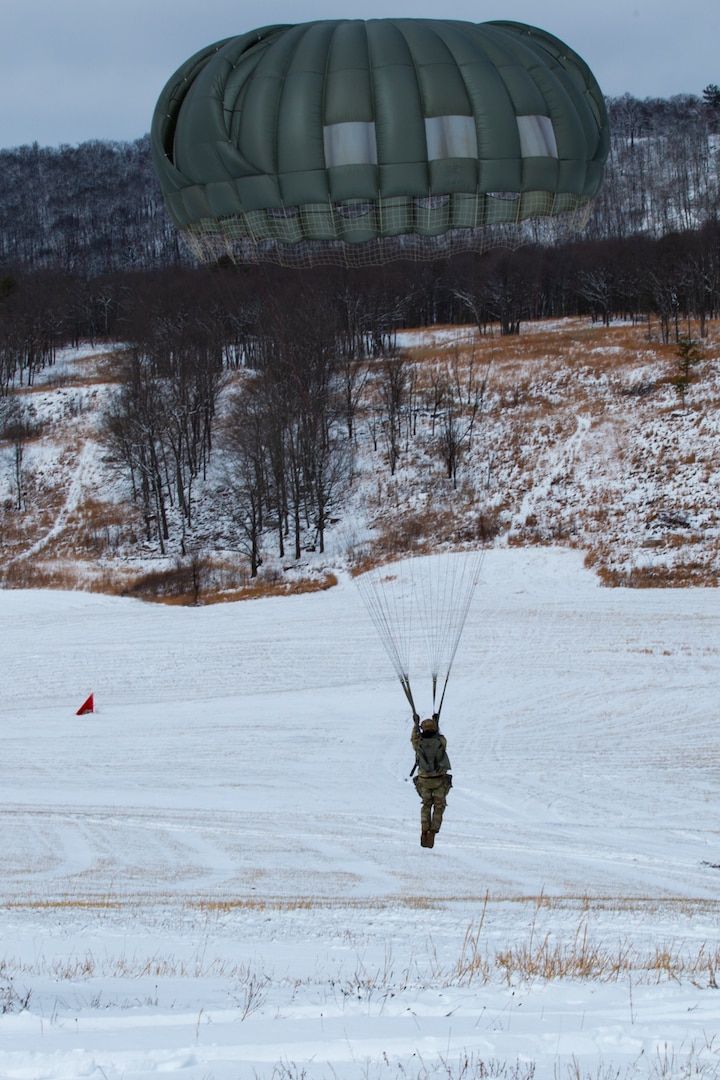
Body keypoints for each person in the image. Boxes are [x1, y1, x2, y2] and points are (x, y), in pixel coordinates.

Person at [411, 715, 452, 848]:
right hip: (439, 780)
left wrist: (415, 725)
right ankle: (433, 831)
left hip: (424, 781)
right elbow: (442, 740)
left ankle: (424, 830)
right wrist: (437, 725)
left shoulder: (418, 743)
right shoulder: (440, 741)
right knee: (439, 806)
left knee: (426, 805)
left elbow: (413, 738)